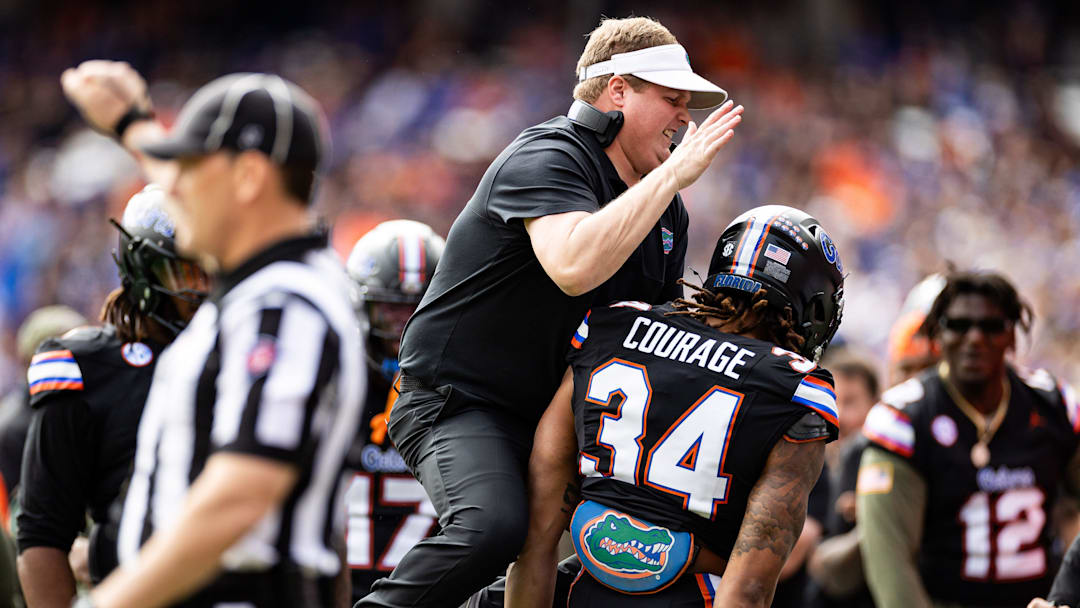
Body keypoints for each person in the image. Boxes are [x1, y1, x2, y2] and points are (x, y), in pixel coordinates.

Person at [364, 16, 743, 607]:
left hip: (554, 419)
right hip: (459, 400)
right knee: (491, 527)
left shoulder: (664, 211)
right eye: (672, 99)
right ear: (618, 90)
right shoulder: (549, 152)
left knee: (608, 552)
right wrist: (671, 176)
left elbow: (656, 333)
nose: (685, 118)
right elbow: (573, 265)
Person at [60, 63, 364, 607]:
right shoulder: (269, 279)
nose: (169, 187)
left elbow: (239, 496)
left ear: (248, 178)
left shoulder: (285, 306)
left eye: (191, 168)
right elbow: (197, 184)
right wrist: (132, 123)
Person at [507, 204, 846, 607]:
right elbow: (749, 590)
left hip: (582, 589)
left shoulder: (611, 326)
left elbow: (536, 540)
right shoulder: (797, 387)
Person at [15, 185, 208, 608]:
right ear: (145, 271)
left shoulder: (252, 357)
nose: (206, 290)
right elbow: (43, 532)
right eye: (191, 273)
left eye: (217, 270)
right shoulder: (88, 366)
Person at [858, 270, 1080, 608]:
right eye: (959, 325)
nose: (974, 338)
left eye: (990, 326)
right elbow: (892, 562)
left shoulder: (1054, 405)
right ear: (938, 333)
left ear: (1012, 334)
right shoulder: (905, 417)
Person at [342, 220, 444, 602]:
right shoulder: (334, 385)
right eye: (391, 309)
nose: (404, 328)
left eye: (418, 310)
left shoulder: (466, 394)